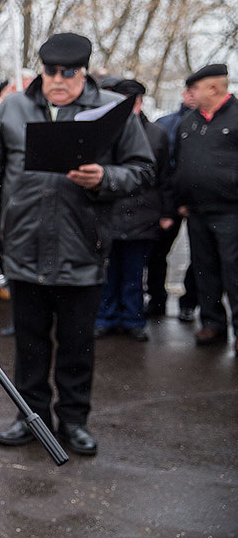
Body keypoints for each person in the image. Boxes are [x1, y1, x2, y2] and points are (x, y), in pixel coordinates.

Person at [0, 33, 154, 456]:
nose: (58, 79)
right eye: (50, 71)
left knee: (77, 345)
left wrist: (105, 178)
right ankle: (30, 417)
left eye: (67, 72)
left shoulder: (111, 109)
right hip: (23, 248)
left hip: (82, 249)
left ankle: (74, 421)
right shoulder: (13, 108)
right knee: (29, 345)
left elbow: (144, 170)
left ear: (84, 72)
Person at [94, 80, 172, 342]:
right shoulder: (105, 130)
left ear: (139, 102)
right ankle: (106, 317)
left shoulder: (157, 134)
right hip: (110, 213)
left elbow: (164, 177)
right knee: (108, 272)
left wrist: (166, 212)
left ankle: (133, 318)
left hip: (142, 216)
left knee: (134, 274)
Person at [173, 64, 238, 350]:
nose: (189, 94)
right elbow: (180, 163)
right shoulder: (189, 122)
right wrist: (180, 200)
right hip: (197, 211)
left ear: (213, 88)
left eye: (194, 89)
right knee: (204, 269)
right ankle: (212, 323)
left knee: (234, 271)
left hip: (231, 211)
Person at [146, 82, 199, 321]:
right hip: (170, 200)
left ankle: (190, 303)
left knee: (201, 257)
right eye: (190, 91)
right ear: (184, 93)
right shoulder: (165, 124)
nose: (193, 96)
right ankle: (156, 299)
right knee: (158, 253)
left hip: (199, 201)